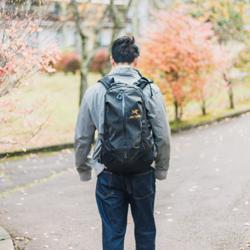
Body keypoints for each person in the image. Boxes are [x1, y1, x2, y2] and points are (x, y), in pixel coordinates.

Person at [74, 36, 171, 250]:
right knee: (145, 229)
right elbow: (162, 135)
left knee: (113, 232)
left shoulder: (95, 91)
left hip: (108, 173)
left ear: (112, 60)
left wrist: (85, 169)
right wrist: (161, 169)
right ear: (137, 61)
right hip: (143, 172)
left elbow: (83, 137)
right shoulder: (150, 90)